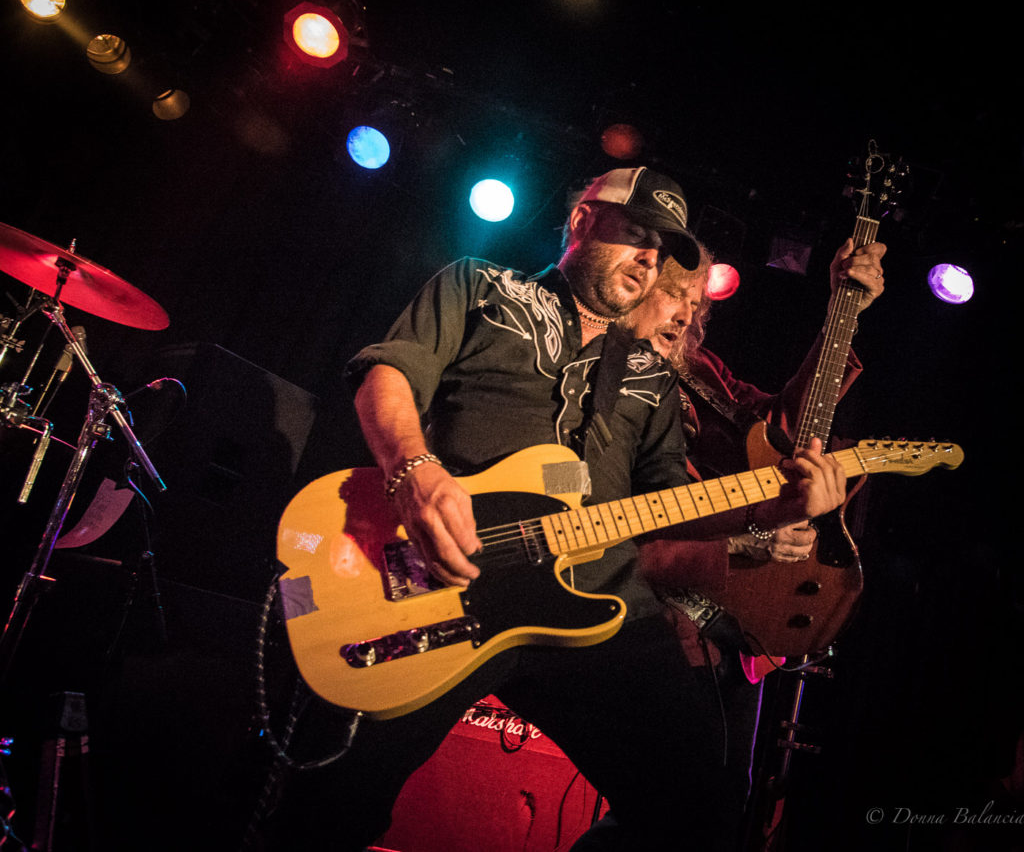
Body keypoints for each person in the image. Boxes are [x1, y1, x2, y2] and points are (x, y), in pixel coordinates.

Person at [260, 166, 849, 851]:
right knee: (328, 800)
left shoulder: (651, 375)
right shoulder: (479, 284)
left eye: (662, 250)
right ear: (582, 222)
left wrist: (772, 509)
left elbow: (666, 507)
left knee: (700, 808)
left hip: (595, 602)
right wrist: (414, 471)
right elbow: (390, 370)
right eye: (638, 237)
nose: (650, 259)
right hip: (449, 583)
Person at [588, 235, 885, 847]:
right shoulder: (600, 378)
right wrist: (746, 543)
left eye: (698, 303)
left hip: (729, 625)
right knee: (673, 806)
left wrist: (842, 314)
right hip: (651, 617)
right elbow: (622, 531)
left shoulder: (700, 373)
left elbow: (783, 430)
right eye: (676, 292)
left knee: (720, 813)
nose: (689, 314)